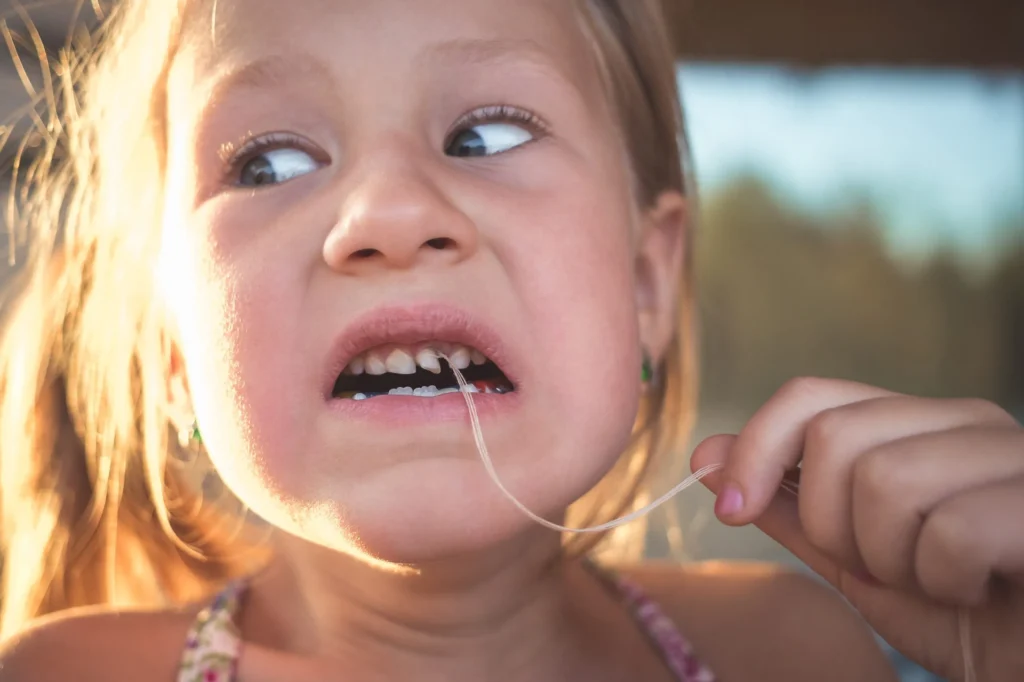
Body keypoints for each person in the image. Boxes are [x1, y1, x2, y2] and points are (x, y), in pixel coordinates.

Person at [0, 1, 1020, 680]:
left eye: (484, 136)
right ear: (172, 349)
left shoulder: (797, 653)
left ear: (645, 280)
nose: (390, 214)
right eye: (267, 162)